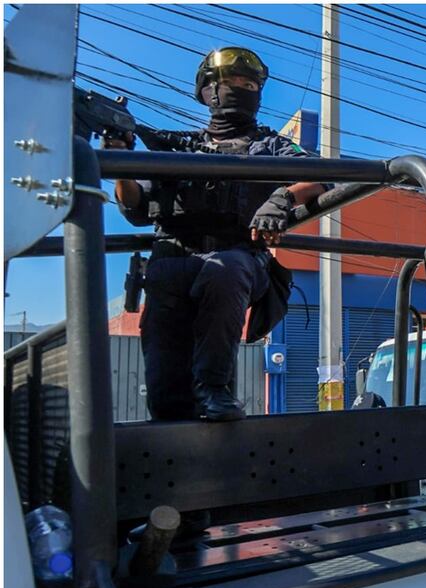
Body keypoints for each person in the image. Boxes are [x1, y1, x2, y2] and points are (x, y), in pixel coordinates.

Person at [107, 47, 329, 422]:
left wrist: (282, 197)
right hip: (172, 263)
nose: (241, 90)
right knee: (164, 399)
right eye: (231, 83)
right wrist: (119, 161)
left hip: (238, 260)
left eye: (249, 84)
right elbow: (135, 208)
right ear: (209, 91)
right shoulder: (177, 148)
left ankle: (214, 387)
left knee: (225, 269)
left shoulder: (270, 146)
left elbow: (321, 177)